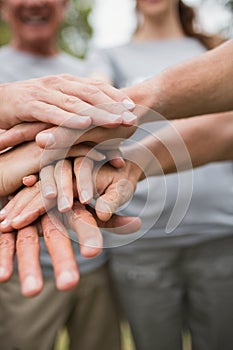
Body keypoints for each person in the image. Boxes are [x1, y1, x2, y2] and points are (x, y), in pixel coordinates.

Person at [86, 1, 233, 349]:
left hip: (217, 233)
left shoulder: (213, 49)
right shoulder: (109, 55)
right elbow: (95, 98)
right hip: (145, 241)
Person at [0, 1, 135, 349]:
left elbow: (115, 145)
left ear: (64, 6)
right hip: (19, 269)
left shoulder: (86, 76)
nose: (33, 3)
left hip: (95, 263)